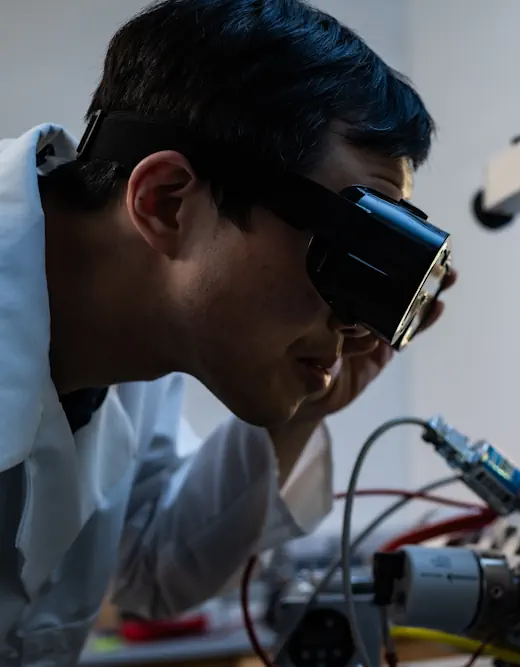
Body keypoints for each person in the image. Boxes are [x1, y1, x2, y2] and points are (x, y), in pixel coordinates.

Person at [0, 0, 452, 663]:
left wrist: (306, 404)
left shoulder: (132, 332)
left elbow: (150, 568)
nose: (356, 320)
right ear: (166, 202)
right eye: (348, 244)